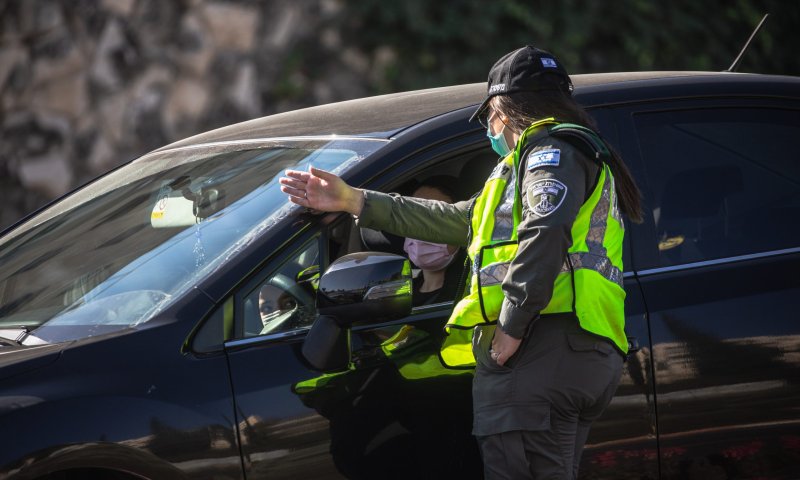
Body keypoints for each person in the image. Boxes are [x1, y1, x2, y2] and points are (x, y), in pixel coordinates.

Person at [280, 45, 643, 479]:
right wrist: (354, 199)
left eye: (487, 118)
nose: (488, 129)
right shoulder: (523, 168)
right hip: (565, 348)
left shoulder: (550, 151)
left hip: (542, 346)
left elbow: (544, 233)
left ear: (500, 111)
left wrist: (512, 326)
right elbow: (454, 219)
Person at [402, 176, 466, 306]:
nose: (422, 229)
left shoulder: (469, 292)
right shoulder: (399, 294)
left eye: (435, 219)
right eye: (414, 217)